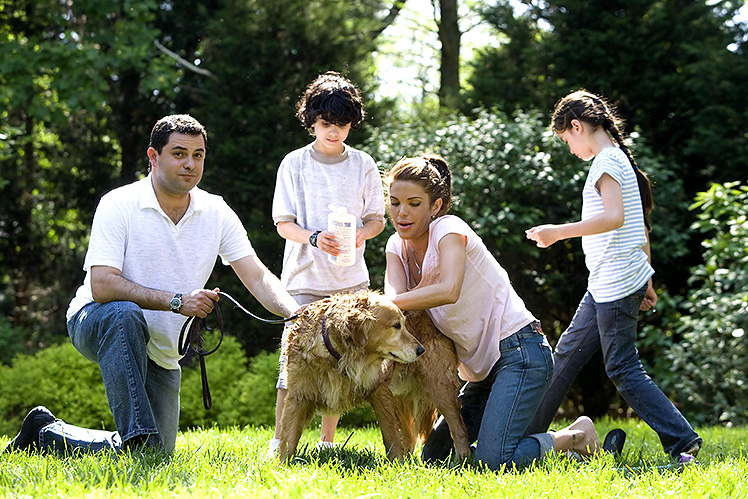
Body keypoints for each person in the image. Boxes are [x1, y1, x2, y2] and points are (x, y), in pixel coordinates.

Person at [4, 114, 300, 456]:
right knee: (124, 315)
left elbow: (258, 275)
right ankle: (139, 440)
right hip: (97, 320)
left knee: (155, 454)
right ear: (153, 156)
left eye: (198, 155)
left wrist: (296, 312)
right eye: (179, 153)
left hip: (163, 348)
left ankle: (45, 434)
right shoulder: (119, 204)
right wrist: (177, 301)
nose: (190, 164)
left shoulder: (216, 211)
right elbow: (102, 285)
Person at [383, 154, 610, 471]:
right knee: (435, 457)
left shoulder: (449, 229)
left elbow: (449, 288)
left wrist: (385, 304)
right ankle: (539, 448)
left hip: (520, 352)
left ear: (436, 206)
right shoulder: (396, 245)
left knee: (494, 462)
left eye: (414, 203)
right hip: (481, 371)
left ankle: (574, 436)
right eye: (394, 203)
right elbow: (394, 300)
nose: (402, 212)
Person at [524, 90, 702, 462]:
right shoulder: (617, 160)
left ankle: (682, 440)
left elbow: (616, 218)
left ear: (577, 126)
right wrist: (648, 278)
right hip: (611, 281)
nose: (570, 148)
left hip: (616, 284)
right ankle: (525, 437)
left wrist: (557, 231)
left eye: (567, 140)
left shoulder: (606, 163)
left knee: (621, 366)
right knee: (566, 356)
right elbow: (640, 227)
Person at [267, 72, 385, 456]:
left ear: (353, 123)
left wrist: (361, 234)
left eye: (343, 125)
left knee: (342, 361)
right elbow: (283, 225)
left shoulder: (363, 163)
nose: (334, 132)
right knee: (294, 365)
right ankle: (280, 441)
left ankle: (327, 441)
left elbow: (377, 219)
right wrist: (316, 238)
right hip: (303, 278)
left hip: (351, 280)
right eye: (327, 124)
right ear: (312, 121)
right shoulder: (294, 164)